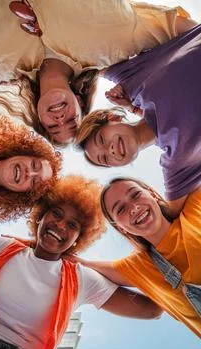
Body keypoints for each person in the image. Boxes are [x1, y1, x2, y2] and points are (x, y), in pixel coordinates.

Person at [0, 175, 162, 349]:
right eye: (56, 213)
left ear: (78, 240)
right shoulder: (4, 247)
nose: (60, 225)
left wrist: (86, 263)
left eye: (73, 225)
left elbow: (153, 309)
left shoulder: (82, 278)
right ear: (40, 217)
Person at [0, 1, 196, 145]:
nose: (60, 119)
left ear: (38, 116)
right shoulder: (114, 47)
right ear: (80, 102)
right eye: (72, 121)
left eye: (53, 127)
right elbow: (186, 34)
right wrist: (140, 110)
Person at [75, 24, 201, 211]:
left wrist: (135, 107)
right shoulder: (177, 164)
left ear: (111, 117)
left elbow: (80, 59)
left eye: (102, 139)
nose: (110, 150)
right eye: (105, 159)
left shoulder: (132, 80)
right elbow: (171, 222)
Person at [66, 177, 201, 338]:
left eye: (136, 195)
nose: (134, 208)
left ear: (152, 194)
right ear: (120, 228)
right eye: (121, 209)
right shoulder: (137, 267)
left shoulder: (196, 205)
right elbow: (73, 262)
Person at [0, 97, 61, 283]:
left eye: (34, 182)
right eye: (34, 164)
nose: (28, 173)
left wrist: (29, 260)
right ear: (23, 151)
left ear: (24, 195)